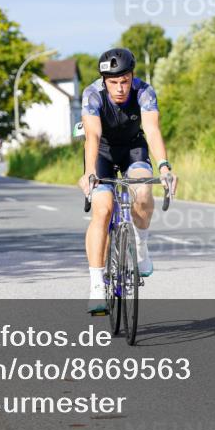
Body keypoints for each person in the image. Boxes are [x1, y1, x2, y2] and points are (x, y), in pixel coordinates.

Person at [78, 47, 176, 314]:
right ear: (104, 81)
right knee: (103, 209)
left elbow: (153, 129)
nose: (120, 88)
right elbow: (93, 137)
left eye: (125, 81)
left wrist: (164, 166)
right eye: (113, 82)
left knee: (143, 192)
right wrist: (89, 173)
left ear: (132, 76)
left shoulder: (144, 91)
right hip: (103, 153)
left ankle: (141, 245)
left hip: (134, 149)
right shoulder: (92, 94)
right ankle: (97, 284)